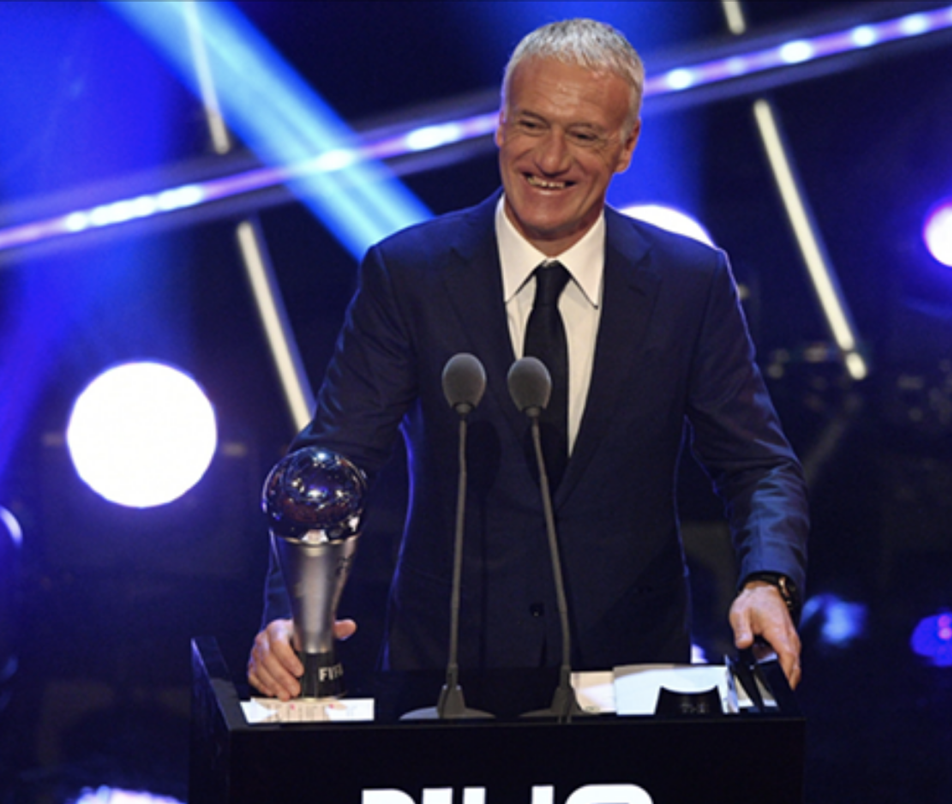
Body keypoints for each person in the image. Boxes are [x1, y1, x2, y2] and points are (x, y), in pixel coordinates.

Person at [248, 18, 809, 701]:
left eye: (583, 135)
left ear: (627, 145)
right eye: (532, 124)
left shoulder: (690, 282)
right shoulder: (409, 273)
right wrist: (292, 614)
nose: (549, 158)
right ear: (500, 126)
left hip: (630, 671)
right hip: (446, 666)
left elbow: (758, 464)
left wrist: (767, 582)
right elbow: (335, 460)